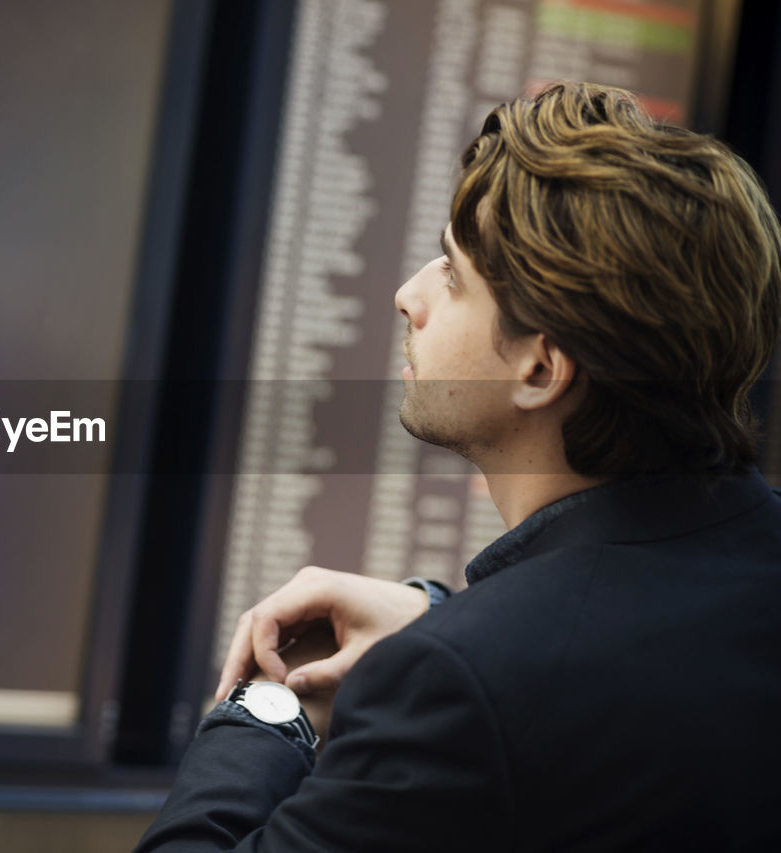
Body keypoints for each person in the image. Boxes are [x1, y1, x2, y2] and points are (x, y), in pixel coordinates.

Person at [135, 81, 781, 851]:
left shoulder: (460, 693)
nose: (409, 296)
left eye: (451, 272)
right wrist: (438, 620)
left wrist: (273, 704)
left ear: (540, 370)